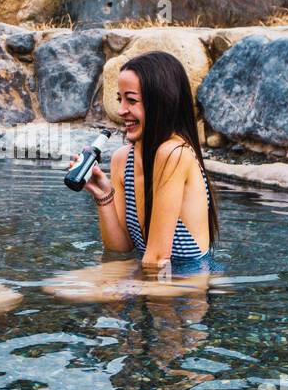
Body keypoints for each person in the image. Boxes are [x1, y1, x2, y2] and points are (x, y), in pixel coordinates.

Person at [80, 50, 219, 276]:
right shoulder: (122, 159)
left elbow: (157, 258)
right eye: (120, 99)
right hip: (152, 276)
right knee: (65, 285)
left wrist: (120, 293)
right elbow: (121, 249)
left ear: (161, 103)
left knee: (74, 288)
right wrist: (103, 196)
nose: (121, 110)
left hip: (187, 287)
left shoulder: (174, 153)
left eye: (132, 100)